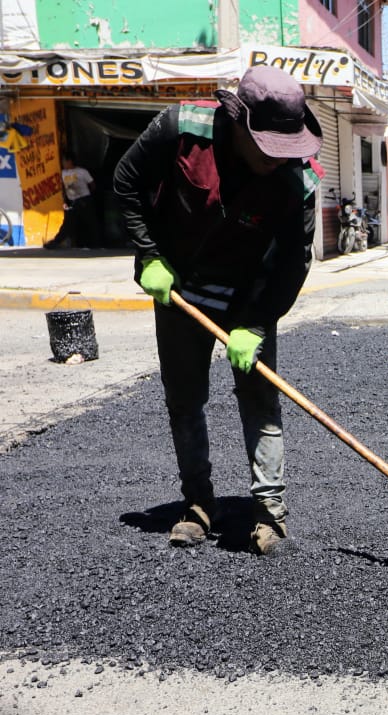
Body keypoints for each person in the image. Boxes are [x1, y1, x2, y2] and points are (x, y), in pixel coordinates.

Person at [113, 65, 323, 555]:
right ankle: (198, 505)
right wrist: (149, 256)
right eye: (268, 147)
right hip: (181, 290)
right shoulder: (180, 128)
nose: (278, 159)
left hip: (249, 297)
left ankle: (270, 515)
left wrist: (255, 322)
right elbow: (127, 183)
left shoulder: (296, 183)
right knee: (184, 400)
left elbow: (295, 261)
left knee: (260, 400)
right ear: (237, 122)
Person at [44, 153, 99, 249]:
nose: (63, 163)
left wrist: (87, 197)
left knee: (90, 222)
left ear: (70, 161)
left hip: (84, 199)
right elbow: (63, 188)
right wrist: (64, 201)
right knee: (68, 223)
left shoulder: (82, 172)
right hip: (73, 201)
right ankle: (56, 242)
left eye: (64, 161)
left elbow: (92, 184)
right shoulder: (63, 173)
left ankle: (95, 244)